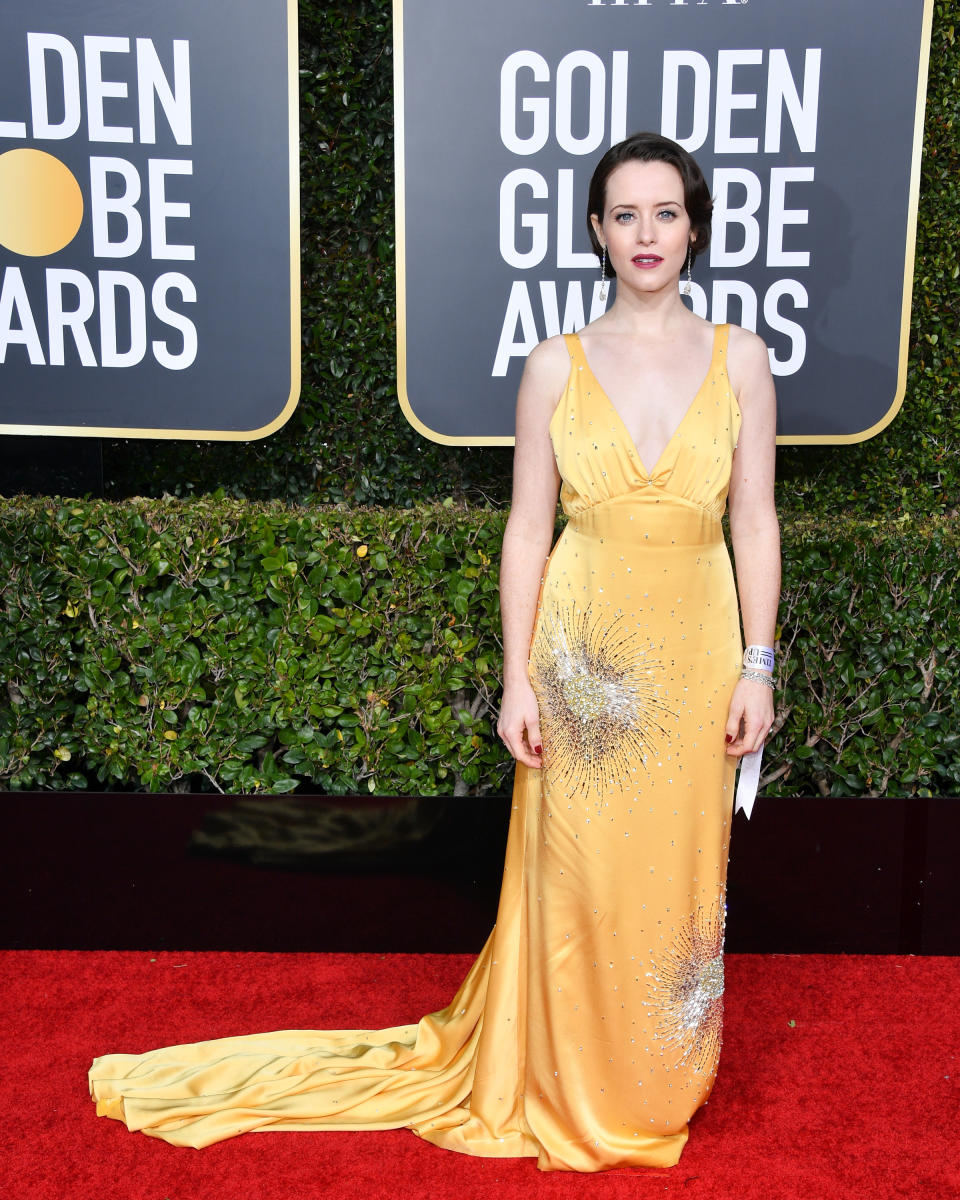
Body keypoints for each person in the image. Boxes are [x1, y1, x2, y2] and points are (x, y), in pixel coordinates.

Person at [88, 132, 779, 1172]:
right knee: (578, 879)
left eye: (665, 212)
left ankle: (652, 1079)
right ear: (597, 231)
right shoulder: (556, 364)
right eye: (625, 215)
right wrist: (516, 679)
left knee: (675, 882)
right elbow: (526, 528)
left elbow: (757, 523)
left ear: (695, 227)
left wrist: (758, 666)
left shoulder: (744, 359)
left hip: (696, 653)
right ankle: (559, 1077)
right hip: (584, 661)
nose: (646, 234)